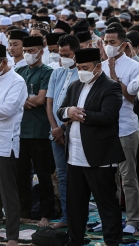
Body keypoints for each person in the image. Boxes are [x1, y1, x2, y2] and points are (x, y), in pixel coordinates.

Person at [56, 48, 124, 245]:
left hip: (99, 156)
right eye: (78, 67)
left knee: (106, 205)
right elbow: (61, 110)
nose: (81, 71)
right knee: (75, 204)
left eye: (85, 68)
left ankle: (112, 242)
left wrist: (80, 115)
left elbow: (108, 116)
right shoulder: (75, 86)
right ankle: (75, 240)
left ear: (98, 67)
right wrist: (69, 111)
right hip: (75, 156)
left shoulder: (111, 87)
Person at [101, 25, 139, 235]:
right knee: (108, 178)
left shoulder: (134, 67)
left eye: (113, 43)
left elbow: (133, 98)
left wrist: (115, 77)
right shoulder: (99, 66)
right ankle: (110, 218)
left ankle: (132, 219)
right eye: (106, 42)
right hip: (105, 130)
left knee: (128, 177)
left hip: (126, 127)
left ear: (123, 44)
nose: (109, 46)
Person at [16, 35, 55, 227]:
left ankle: (45, 214)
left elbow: (41, 99)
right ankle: (24, 212)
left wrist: (21, 102)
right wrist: (23, 102)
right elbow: (14, 98)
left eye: (31, 51)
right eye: (25, 51)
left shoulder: (47, 72)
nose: (27, 54)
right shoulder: (20, 71)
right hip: (21, 131)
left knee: (43, 173)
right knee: (21, 174)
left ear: (41, 51)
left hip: (40, 131)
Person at [45, 34, 81, 229]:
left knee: (78, 176)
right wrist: (55, 129)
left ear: (75, 53)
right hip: (56, 133)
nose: (62, 58)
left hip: (75, 132)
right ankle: (66, 218)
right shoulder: (56, 73)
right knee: (62, 176)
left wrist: (63, 128)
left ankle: (77, 217)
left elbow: (81, 107)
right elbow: (50, 104)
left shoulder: (83, 73)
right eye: (60, 54)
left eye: (66, 54)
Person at [0, 44, 27, 246]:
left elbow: (6, 111)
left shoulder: (17, 82)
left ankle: (12, 236)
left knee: (8, 192)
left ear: (3, 62)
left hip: (5, 143)